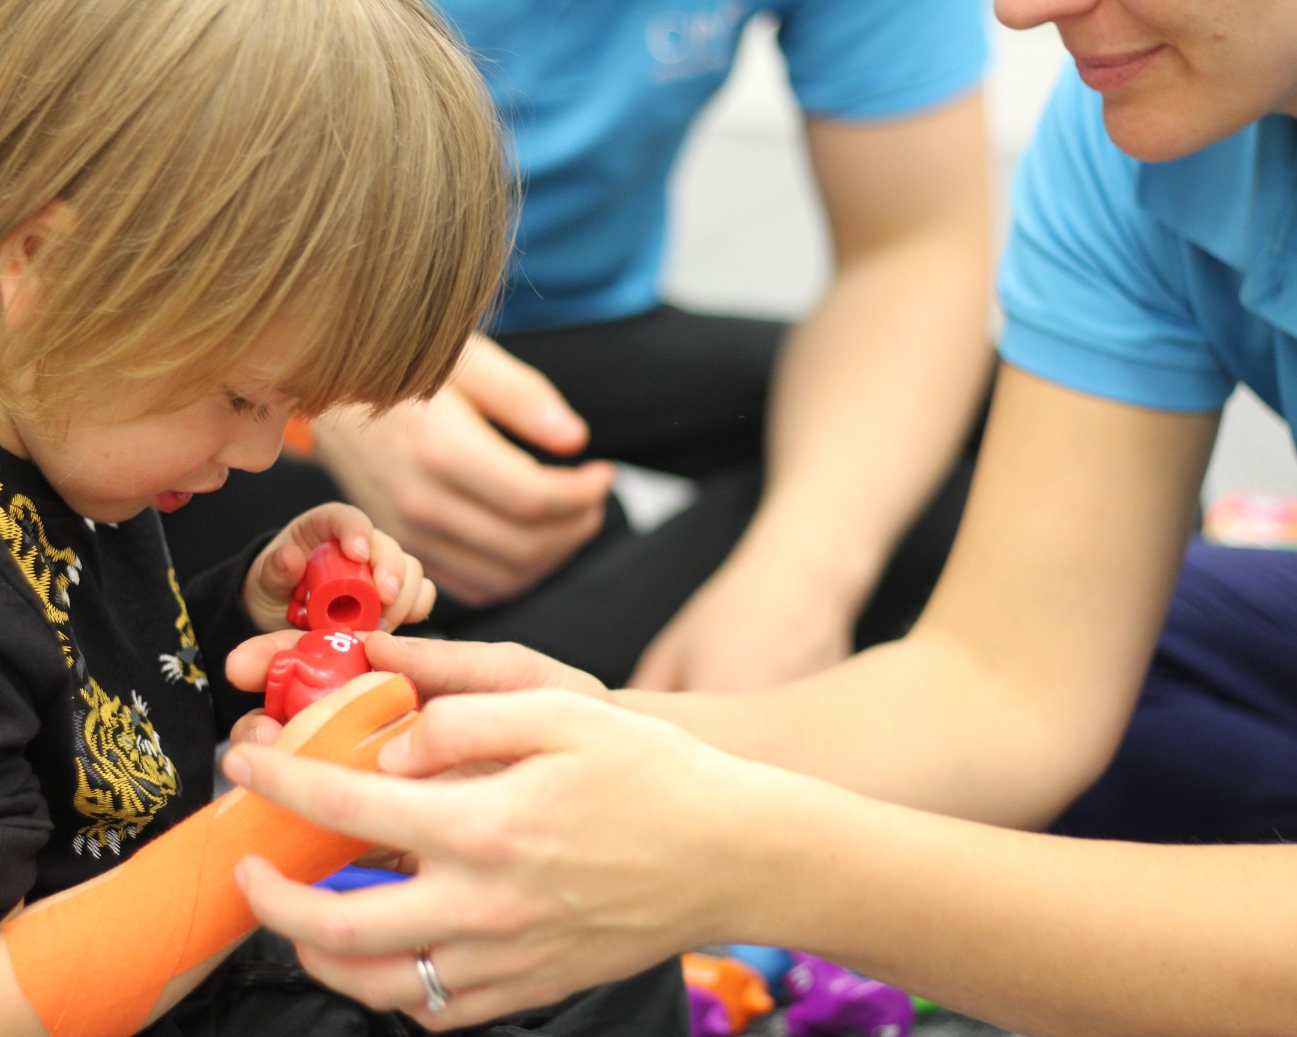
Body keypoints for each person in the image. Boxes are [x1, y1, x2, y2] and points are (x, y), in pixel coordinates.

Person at [213, 1, 1297, 1034]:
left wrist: (760, 862)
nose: (1017, 14)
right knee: (1135, 639)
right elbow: (1006, 682)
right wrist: (543, 745)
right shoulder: (1123, 135)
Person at [0, 2, 687, 1035]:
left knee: (598, 962)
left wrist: (238, 610)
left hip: (161, 968)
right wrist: (290, 822)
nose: (257, 448)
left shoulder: (23, 409)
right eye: (242, 397)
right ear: (44, 266)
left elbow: (49, 675)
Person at [158, 0, 997, 690]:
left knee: (987, 435)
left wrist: (800, 578)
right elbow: (98, 177)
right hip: (270, 316)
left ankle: (503, 692)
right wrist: (335, 388)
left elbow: (914, 250)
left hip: (576, 338)